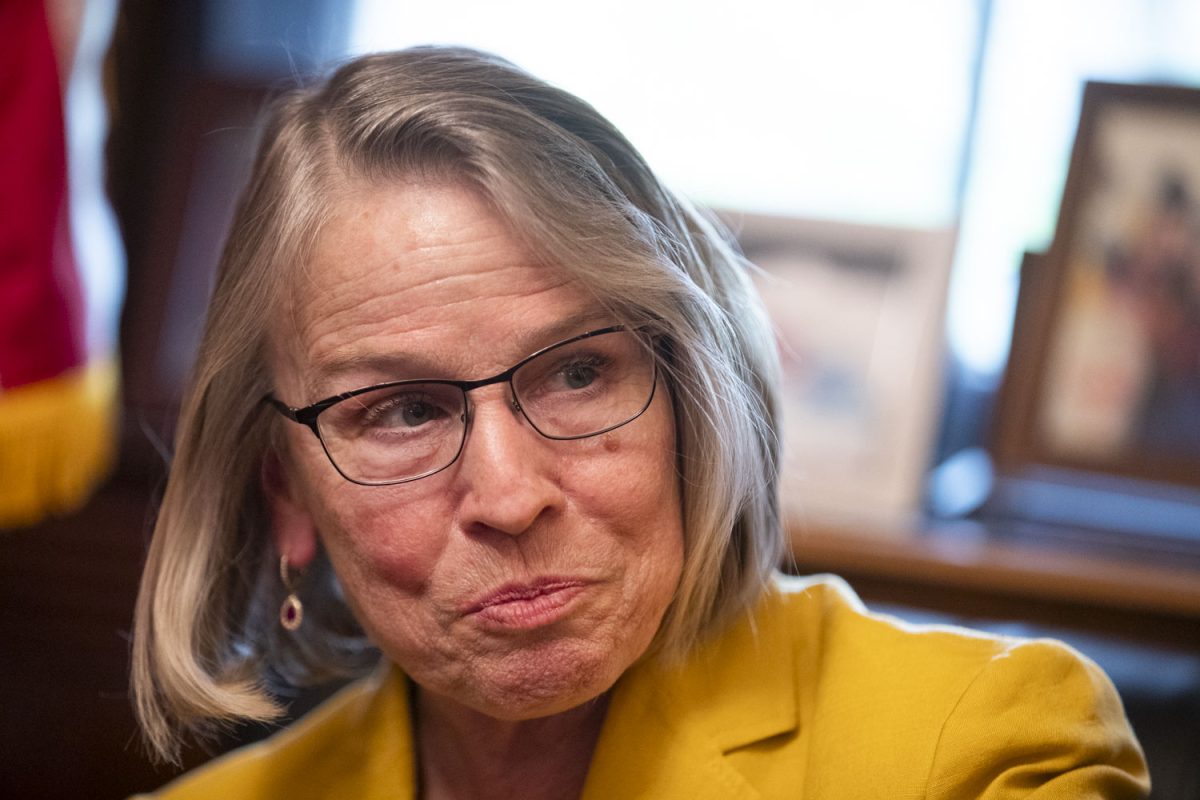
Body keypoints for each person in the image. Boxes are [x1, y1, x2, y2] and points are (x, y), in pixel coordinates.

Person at [131, 47, 1149, 799]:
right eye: (401, 410)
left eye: (578, 372)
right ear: (289, 494)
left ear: (690, 398)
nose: (510, 492)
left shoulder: (984, 750)